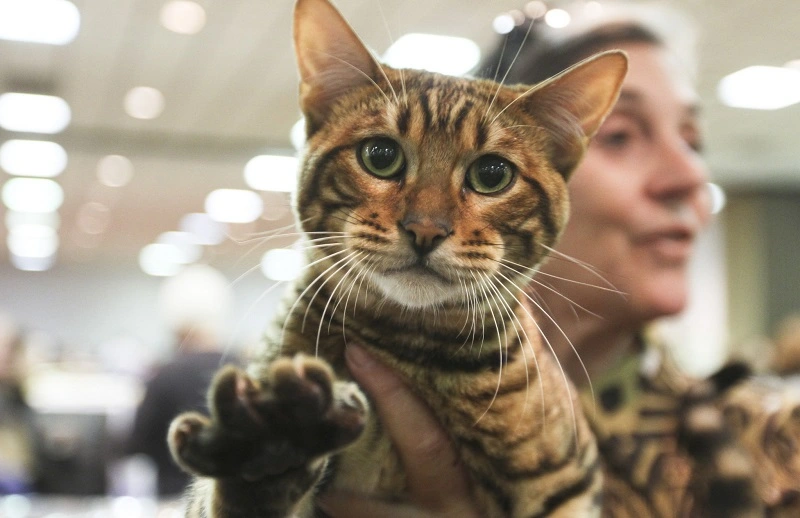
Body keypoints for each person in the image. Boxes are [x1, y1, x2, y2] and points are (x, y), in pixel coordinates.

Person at [317, 2, 798, 517]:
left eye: (693, 141)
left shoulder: (778, 446)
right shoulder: (333, 411)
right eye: (619, 136)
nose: (689, 178)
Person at [127, 264, 239, 496]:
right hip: (236, 501)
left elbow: (137, 442)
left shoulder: (165, 376)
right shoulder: (245, 371)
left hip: (175, 499)